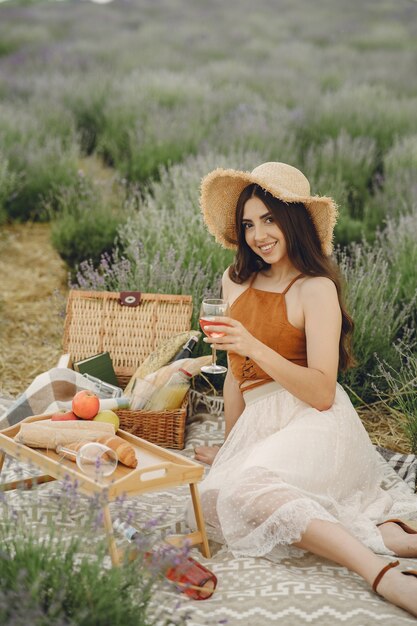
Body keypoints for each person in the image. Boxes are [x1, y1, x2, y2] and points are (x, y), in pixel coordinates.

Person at [191, 162, 417, 617]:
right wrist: (235, 447)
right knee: (218, 500)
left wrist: (253, 343)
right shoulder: (234, 281)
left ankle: (383, 575)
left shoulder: (316, 289)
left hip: (315, 422)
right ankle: (392, 539)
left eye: (270, 220)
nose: (259, 235)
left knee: (246, 493)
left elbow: (321, 393)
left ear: (293, 221)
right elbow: (238, 374)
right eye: (249, 224)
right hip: (264, 425)